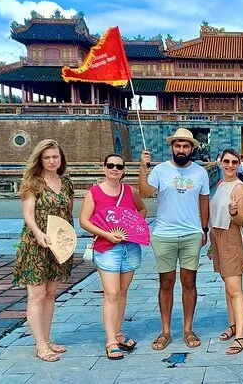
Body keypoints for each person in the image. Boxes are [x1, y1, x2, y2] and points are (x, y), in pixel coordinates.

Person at [138, 128, 210, 351]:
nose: (181, 149)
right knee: (166, 283)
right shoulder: (160, 170)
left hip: (191, 233)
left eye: (185, 146)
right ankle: (165, 330)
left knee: (189, 282)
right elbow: (144, 193)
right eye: (177, 145)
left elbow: (204, 202)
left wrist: (204, 229)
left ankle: (188, 329)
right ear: (172, 147)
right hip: (164, 234)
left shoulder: (200, 172)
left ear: (191, 149)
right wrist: (142, 168)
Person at [79, 154, 147, 360]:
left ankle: (118, 332)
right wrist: (107, 234)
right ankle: (110, 341)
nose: (114, 169)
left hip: (129, 247)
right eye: (111, 165)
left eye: (119, 166)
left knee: (123, 292)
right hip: (106, 247)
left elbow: (142, 209)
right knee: (111, 293)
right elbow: (84, 220)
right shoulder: (94, 192)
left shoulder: (130, 191)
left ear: (124, 170)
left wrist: (134, 226)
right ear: (104, 168)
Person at [13, 139, 74, 362]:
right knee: (37, 295)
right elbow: (28, 214)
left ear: (61, 159)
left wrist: (67, 240)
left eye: (55, 157)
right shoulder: (33, 182)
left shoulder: (66, 183)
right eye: (46, 157)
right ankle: (40, 345)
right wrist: (39, 234)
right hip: (35, 245)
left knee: (50, 294)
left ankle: (47, 339)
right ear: (39, 159)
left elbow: (68, 213)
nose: (51, 161)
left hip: (58, 245)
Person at [207, 148, 243, 355]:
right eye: (227, 161)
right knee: (227, 287)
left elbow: (242, 221)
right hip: (218, 236)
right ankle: (232, 325)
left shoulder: (239, 187)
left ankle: (240, 336)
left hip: (231, 237)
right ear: (220, 162)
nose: (230, 165)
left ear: (239, 164)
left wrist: (234, 213)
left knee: (235, 289)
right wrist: (211, 244)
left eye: (234, 162)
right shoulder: (220, 184)